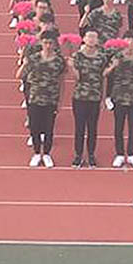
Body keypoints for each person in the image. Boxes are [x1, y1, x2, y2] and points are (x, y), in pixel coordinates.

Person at [19, 31, 65, 167]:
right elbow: (19, 75)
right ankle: (36, 152)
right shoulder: (33, 58)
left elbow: (62, 82)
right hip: (35, 97)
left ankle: (47, 154)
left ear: (54, 44)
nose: (48, 45)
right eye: (45, 43)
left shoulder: (59, 61)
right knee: (35, 127)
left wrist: (60, 102)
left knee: (49, 127)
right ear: (41, 43)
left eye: (50, 43)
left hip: (51, 98)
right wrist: (24, 63)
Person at [106, 33, 133, 168]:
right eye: (127, 40)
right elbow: (106, 74)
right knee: (119, 127)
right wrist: (113, 66)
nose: (130, 42)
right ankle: (120, 154)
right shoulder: (117, 57)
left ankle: (132, 154)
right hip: (119, 96)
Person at [67, 31, 106, 167]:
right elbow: (76, 77)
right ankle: (78, 155)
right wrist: (72, 67)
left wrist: (103, 98)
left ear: (97, 40)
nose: (91, 39)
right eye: (89, 36)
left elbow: (103, 78)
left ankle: (91, 154)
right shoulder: (77, 56)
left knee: (92, 128)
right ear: (84, 39)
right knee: (79, 128)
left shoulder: (102, 57)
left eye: (94, 37)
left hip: (95, 97)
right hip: (80, 97)